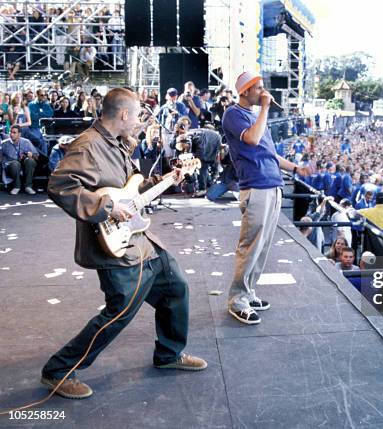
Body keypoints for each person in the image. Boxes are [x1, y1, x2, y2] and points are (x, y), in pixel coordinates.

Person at [40, 88, 206, 400]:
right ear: (124, 114)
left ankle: (169, 354)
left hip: (140, 239)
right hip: (113, 246)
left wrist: (168, 180)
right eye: (137, 116)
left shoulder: (115, 144)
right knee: (119, 313)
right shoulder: (88, 146)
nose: (138, 122)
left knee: (176, 287)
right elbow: (59, 185)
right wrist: (107, 209)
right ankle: (58, 370)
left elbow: (132, 191)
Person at [221, 71, 310, 325]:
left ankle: (248, 293)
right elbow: (252, 138)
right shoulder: (233, 114)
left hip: (273, 185)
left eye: (263, 87)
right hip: (255, 186)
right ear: (245, 92)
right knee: (250, 246)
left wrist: (295, 168)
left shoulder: (258, 117)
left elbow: (270, 154)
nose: (263, 92)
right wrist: (265, 110)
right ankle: (236, 299)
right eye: (258, 88)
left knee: (263, 246)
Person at [1, 125, 39, 195]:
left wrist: (32, 155)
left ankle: (28, 186)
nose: (11, 134)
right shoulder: (4, 144)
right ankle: (16, 186)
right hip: (10, 167)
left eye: (14, 133)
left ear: (19, 134)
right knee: (15, 163)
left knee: (30, 160)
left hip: (23, 166)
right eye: (10, 132)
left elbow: (36, 156)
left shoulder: (26, 142)